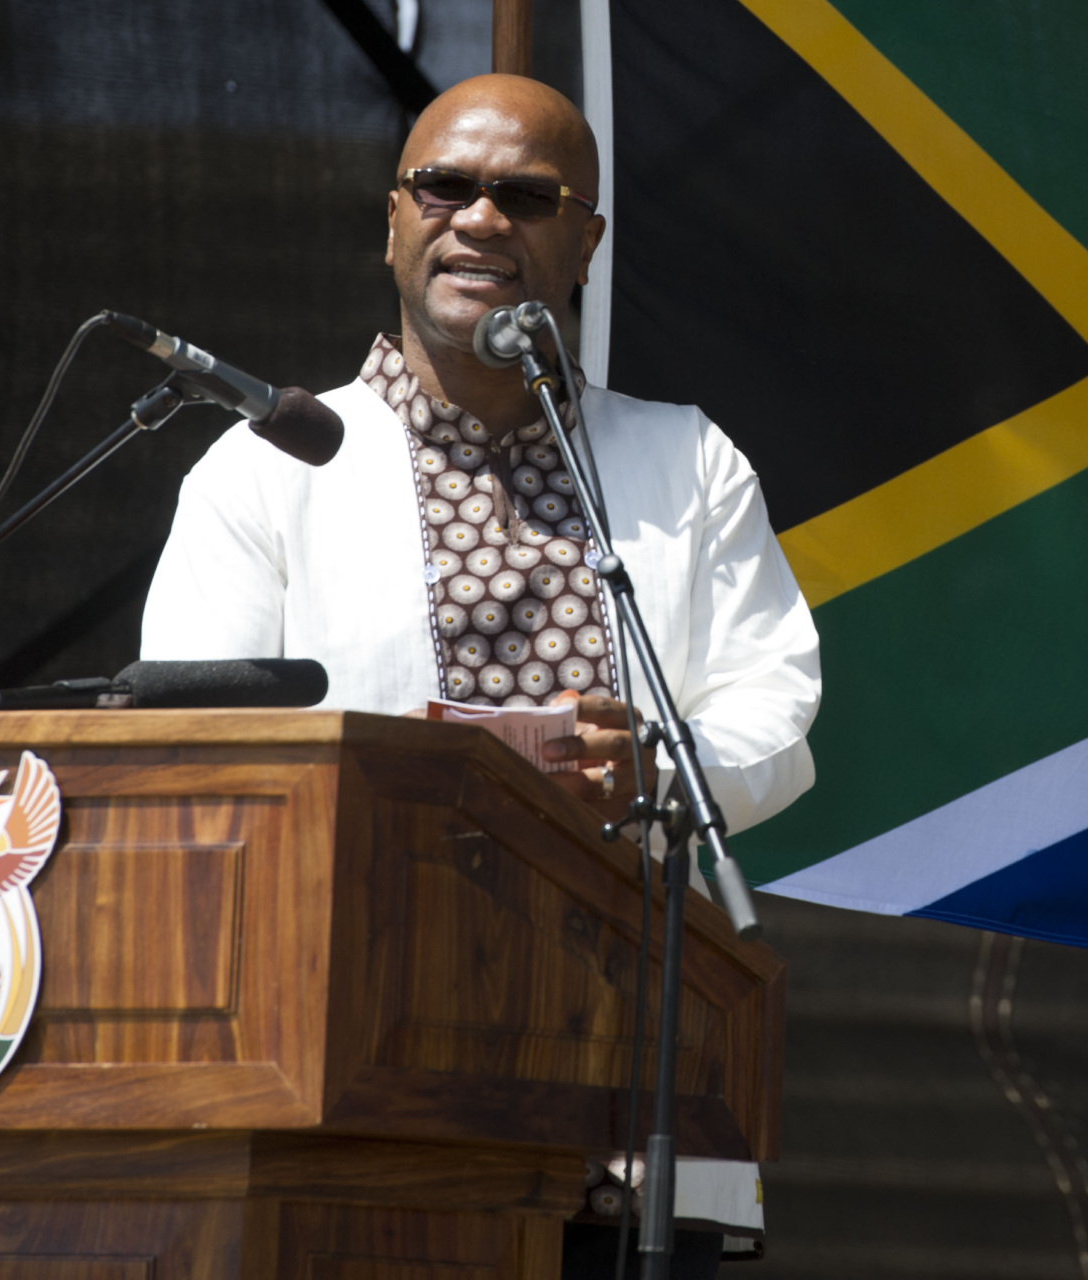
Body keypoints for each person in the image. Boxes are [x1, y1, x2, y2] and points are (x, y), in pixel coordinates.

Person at [141, 74, 820, 1275]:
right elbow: (195, 767)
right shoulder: (264, 474)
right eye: (445, 186)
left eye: (527, 195)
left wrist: (660, 763)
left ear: (585, 241)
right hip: (348, 1091)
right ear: (392, 220)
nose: (482, 218)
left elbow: (778, 708)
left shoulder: (687, 460)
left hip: (629, 1105)